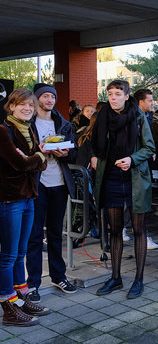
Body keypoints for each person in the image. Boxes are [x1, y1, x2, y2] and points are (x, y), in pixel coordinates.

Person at [92, 80, 155, 299]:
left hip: (135, 179)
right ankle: (116, 278)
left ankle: (138, 280)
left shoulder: (138, 116)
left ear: (127, 96)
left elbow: (149, 148)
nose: (113, 97)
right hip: (111, 178)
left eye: (118, 94)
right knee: (115, 230)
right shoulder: (102, 117)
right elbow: (94, 144)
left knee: (138, 229)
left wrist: (131, 159)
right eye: (110, 94)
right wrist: (94, 156)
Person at [0, 89, 50, 326]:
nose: (27, 109)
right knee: (8, 255)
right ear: (11, 106)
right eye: (22, 105)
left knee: (21, 253)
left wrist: (37, 157)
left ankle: (21, 297)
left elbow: (36, 163)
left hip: (28, 197)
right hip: (10, 199)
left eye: (30, 105)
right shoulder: (3, 131)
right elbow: (20, 164)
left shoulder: (28, 129)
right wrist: (39, 155)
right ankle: (8, 306)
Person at [26, 85, 78, 302]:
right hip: (37, 184)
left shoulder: (63, 123)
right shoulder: (28, 123)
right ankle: (33, 284)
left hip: (59, 182)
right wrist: (39, 151)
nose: (49, 100)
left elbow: (73, 153)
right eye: (45, 96)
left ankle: (59, 276)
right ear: (37, 99)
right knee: (35, 235)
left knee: (56, 233)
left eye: (52, 96)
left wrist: (65, 153)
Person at [133, 88, 158, 250]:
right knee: (140, 201)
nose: (152, 103)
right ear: (141, 102)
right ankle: (144, 235)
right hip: (136, 165)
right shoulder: (136, 117)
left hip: (144, 162)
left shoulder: (147, 116)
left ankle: (141, 233)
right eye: (149, 100)